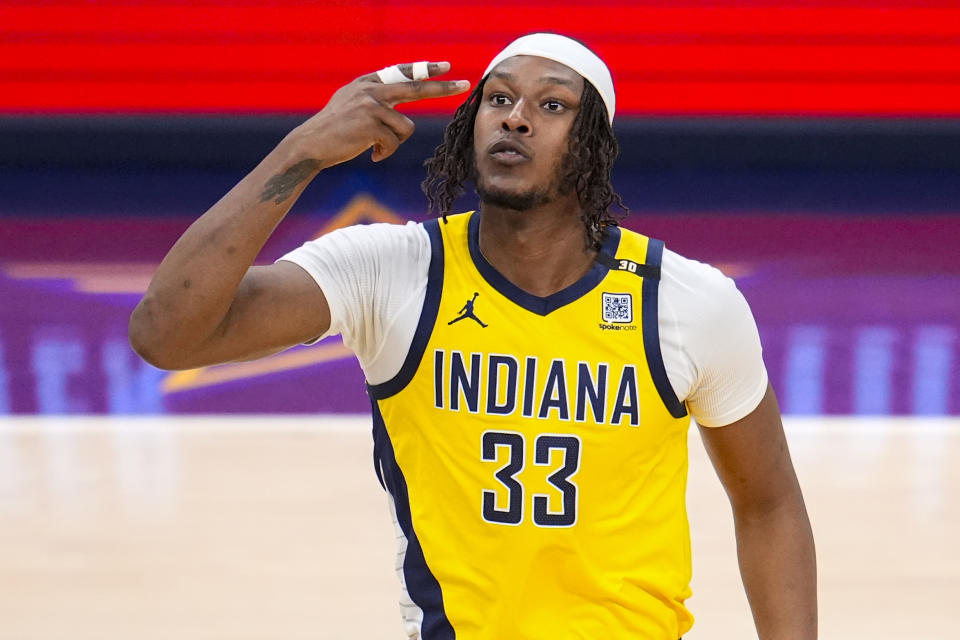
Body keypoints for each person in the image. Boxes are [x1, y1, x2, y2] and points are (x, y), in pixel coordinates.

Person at [130, 33, 816, 640]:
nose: (516, 116)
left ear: (593, 147)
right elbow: (168, 335)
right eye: (499, 99)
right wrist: (302, 150)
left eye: (552, 106)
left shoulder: (686, 301)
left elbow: (769, 501)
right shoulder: (394, 271)